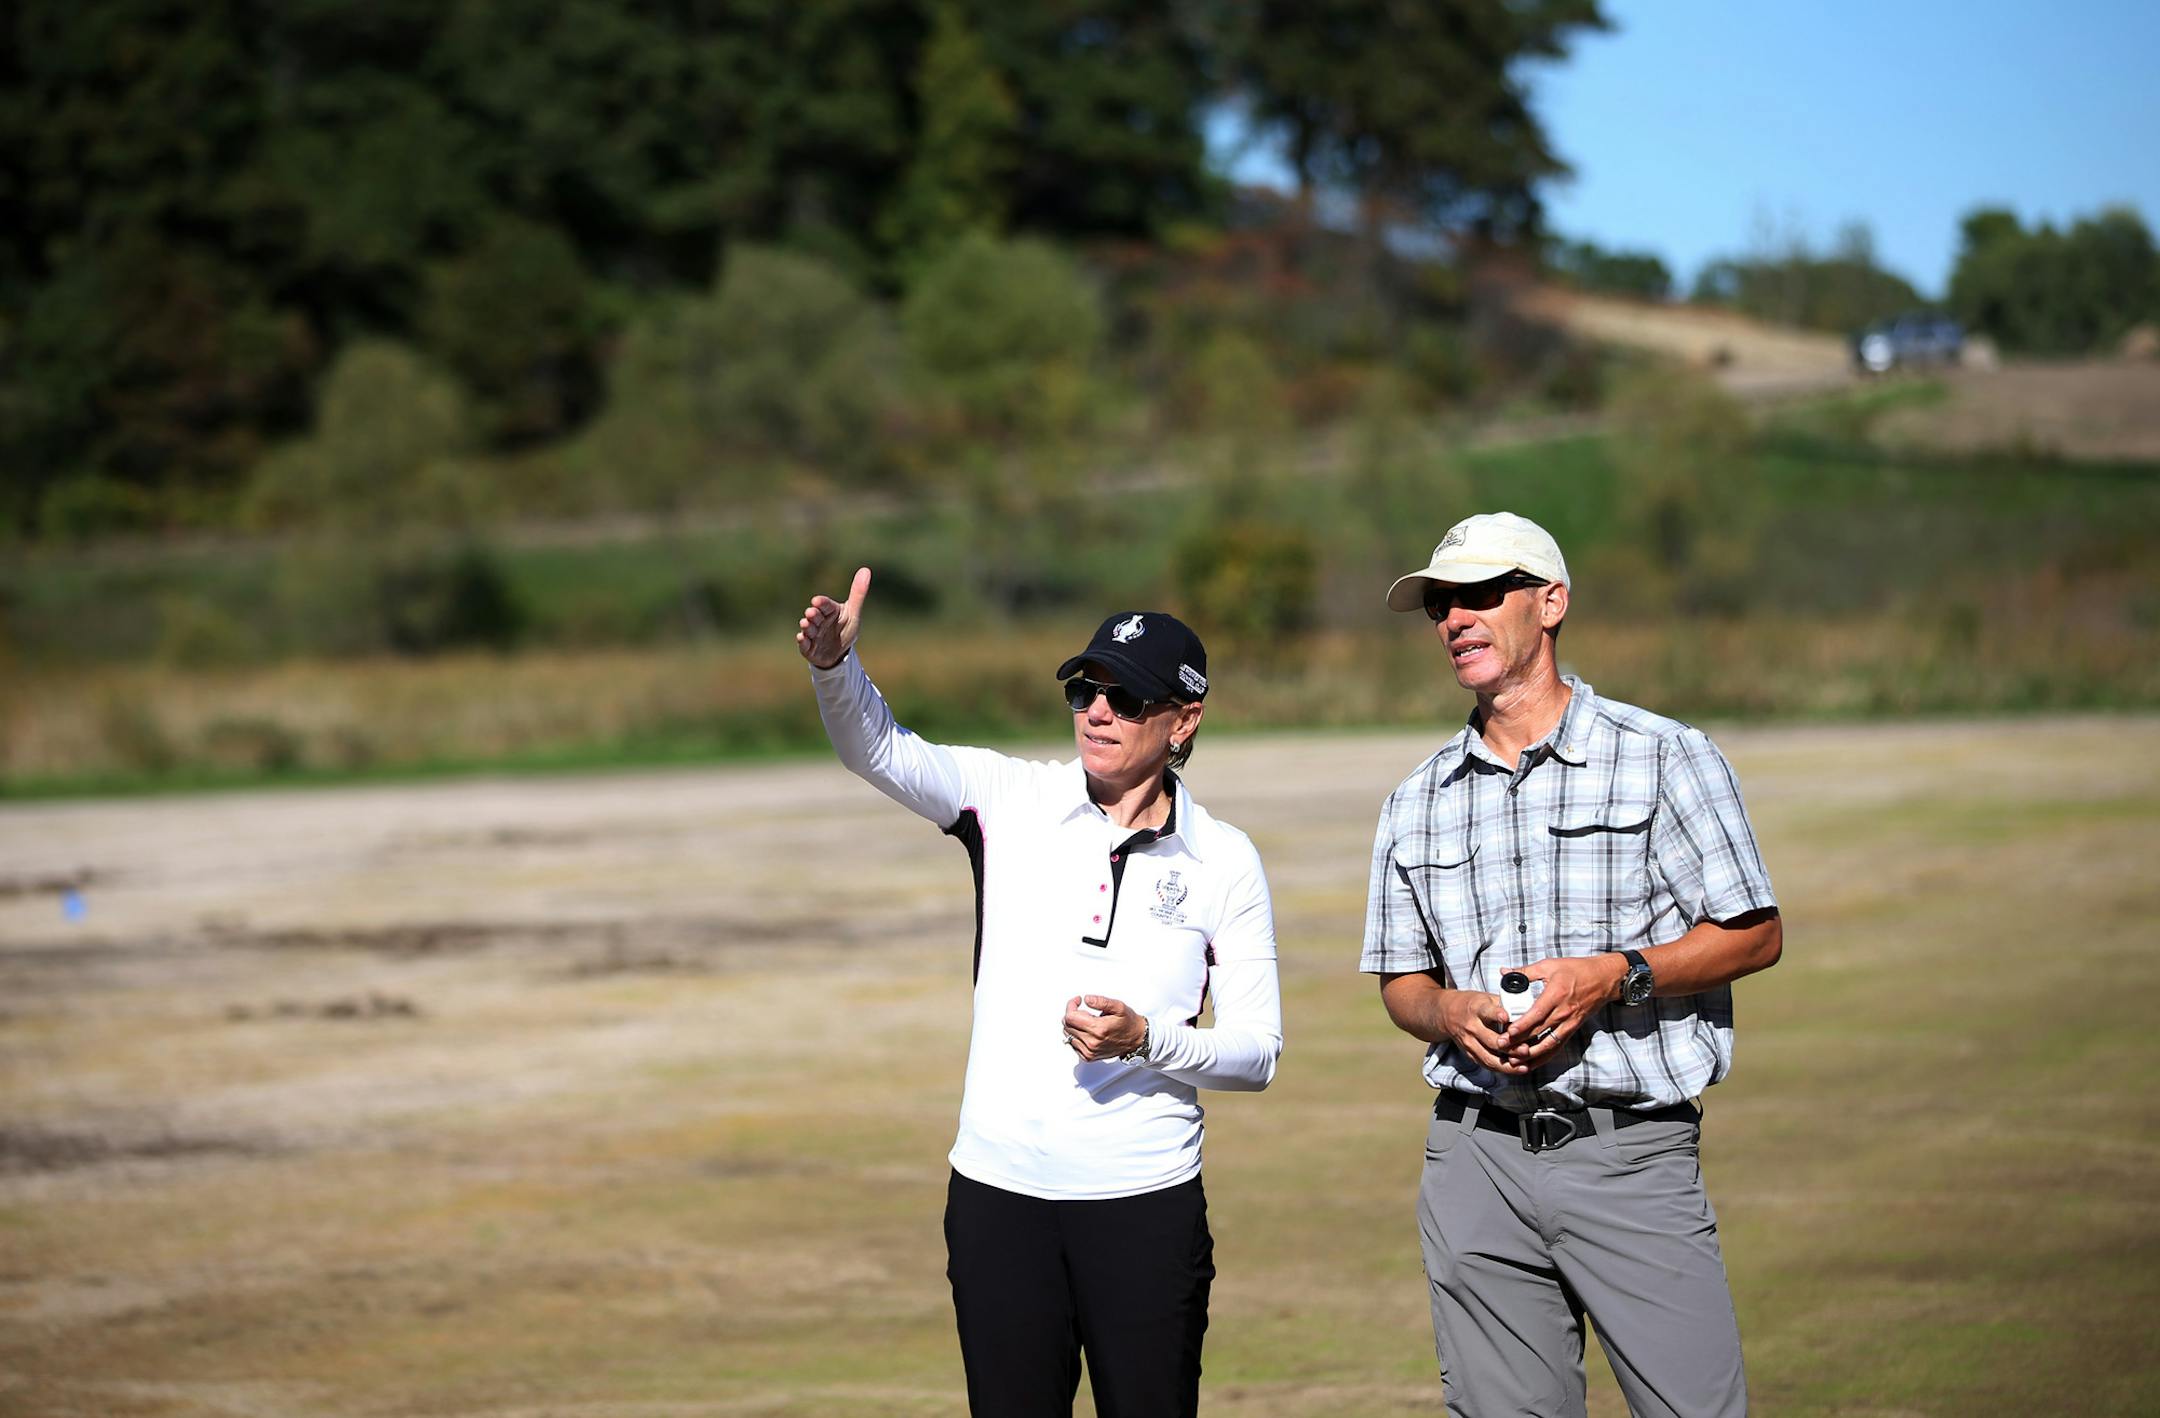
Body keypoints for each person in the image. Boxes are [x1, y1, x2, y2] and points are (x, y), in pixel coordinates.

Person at [796, 567, 1283, 1418]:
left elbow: (1257, 1055)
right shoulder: (1006, 798)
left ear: (1185, 720)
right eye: (1086, 689)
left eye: (1127, 699)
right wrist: (837, 670)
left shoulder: (1226, 859)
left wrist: (1148, 1040)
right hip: (997, 1202)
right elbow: (878, 748)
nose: (1098, 711)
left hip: (1145, 1209)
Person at [1359, 513, 1783, 1418]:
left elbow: (1753, 934)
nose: (1454, 620)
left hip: (1630, 1155)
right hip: (1473, 1160)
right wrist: (1448, 1014)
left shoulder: (1665, 755)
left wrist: (1612, 975)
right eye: (1440, 604)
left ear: (1551, 603)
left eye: (1480, 595)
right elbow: (1403, 983)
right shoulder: (1414, 800)